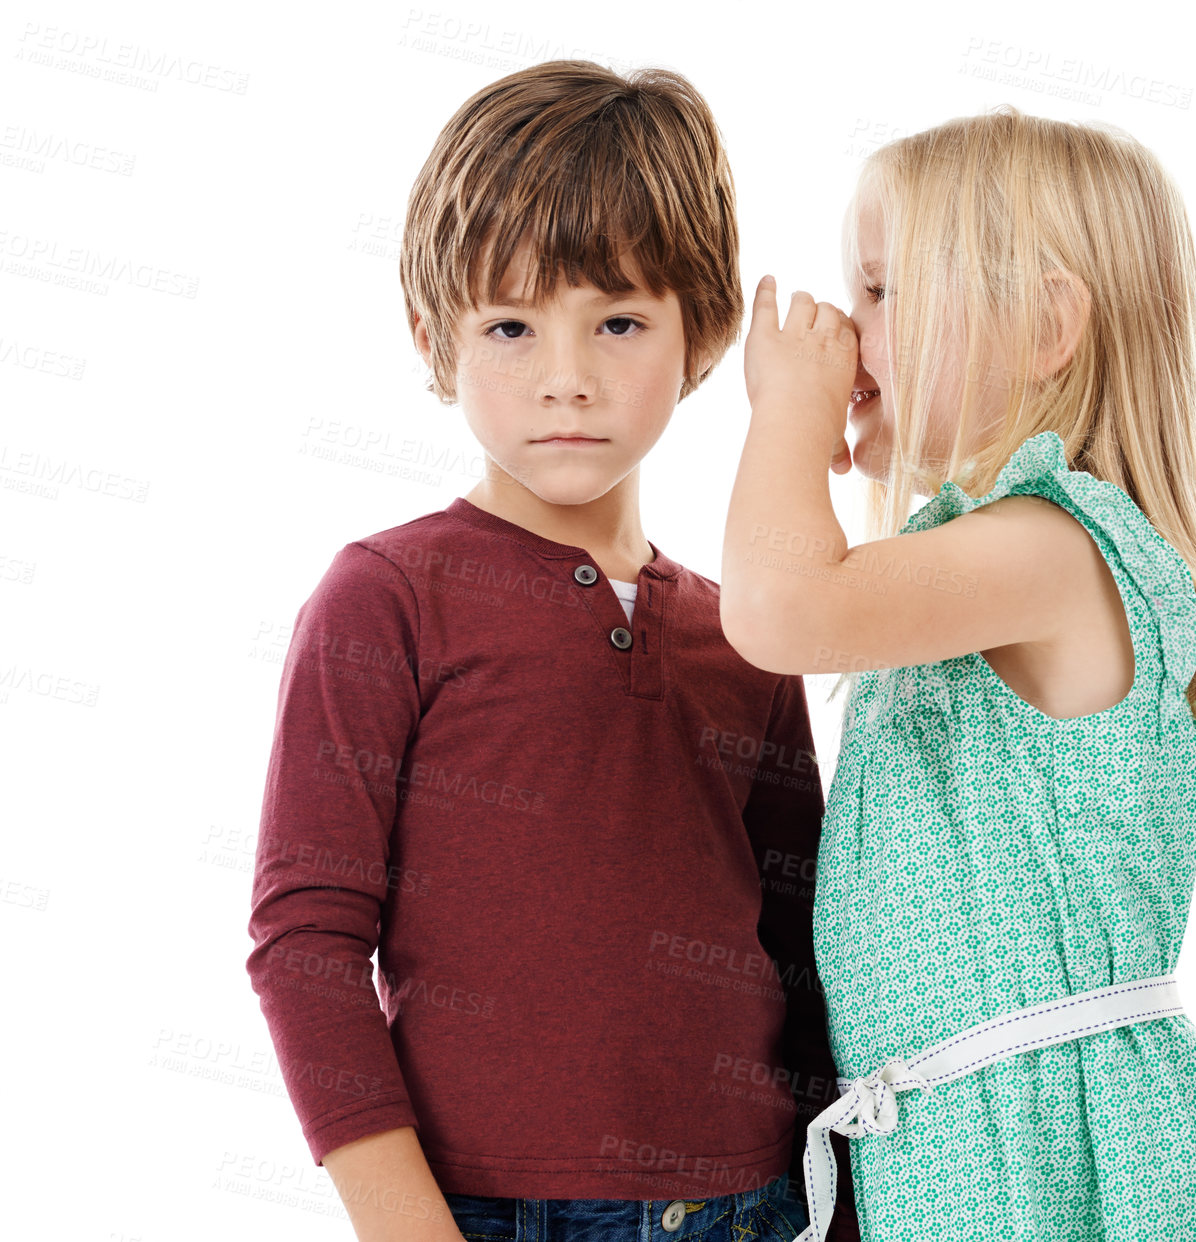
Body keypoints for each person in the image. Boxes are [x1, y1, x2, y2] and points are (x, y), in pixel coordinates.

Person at [245, 59, 858, 1242]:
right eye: (512, 326)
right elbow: (306, 942)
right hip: (488, 1214)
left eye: (619, 321)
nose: (566, 379)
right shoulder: (385, 600)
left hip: (752, 1208)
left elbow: (808, 950)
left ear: (704, 334)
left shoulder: (754, 634)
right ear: (436, 337)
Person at [722, 107, 1196, 1240]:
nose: (848, 325)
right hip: (971, 1147)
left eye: (883, 292)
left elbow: (782, 605)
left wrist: (789, 412)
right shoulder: (986, 557)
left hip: (1061, 1157)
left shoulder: (1050, 546)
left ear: (1044, 327)